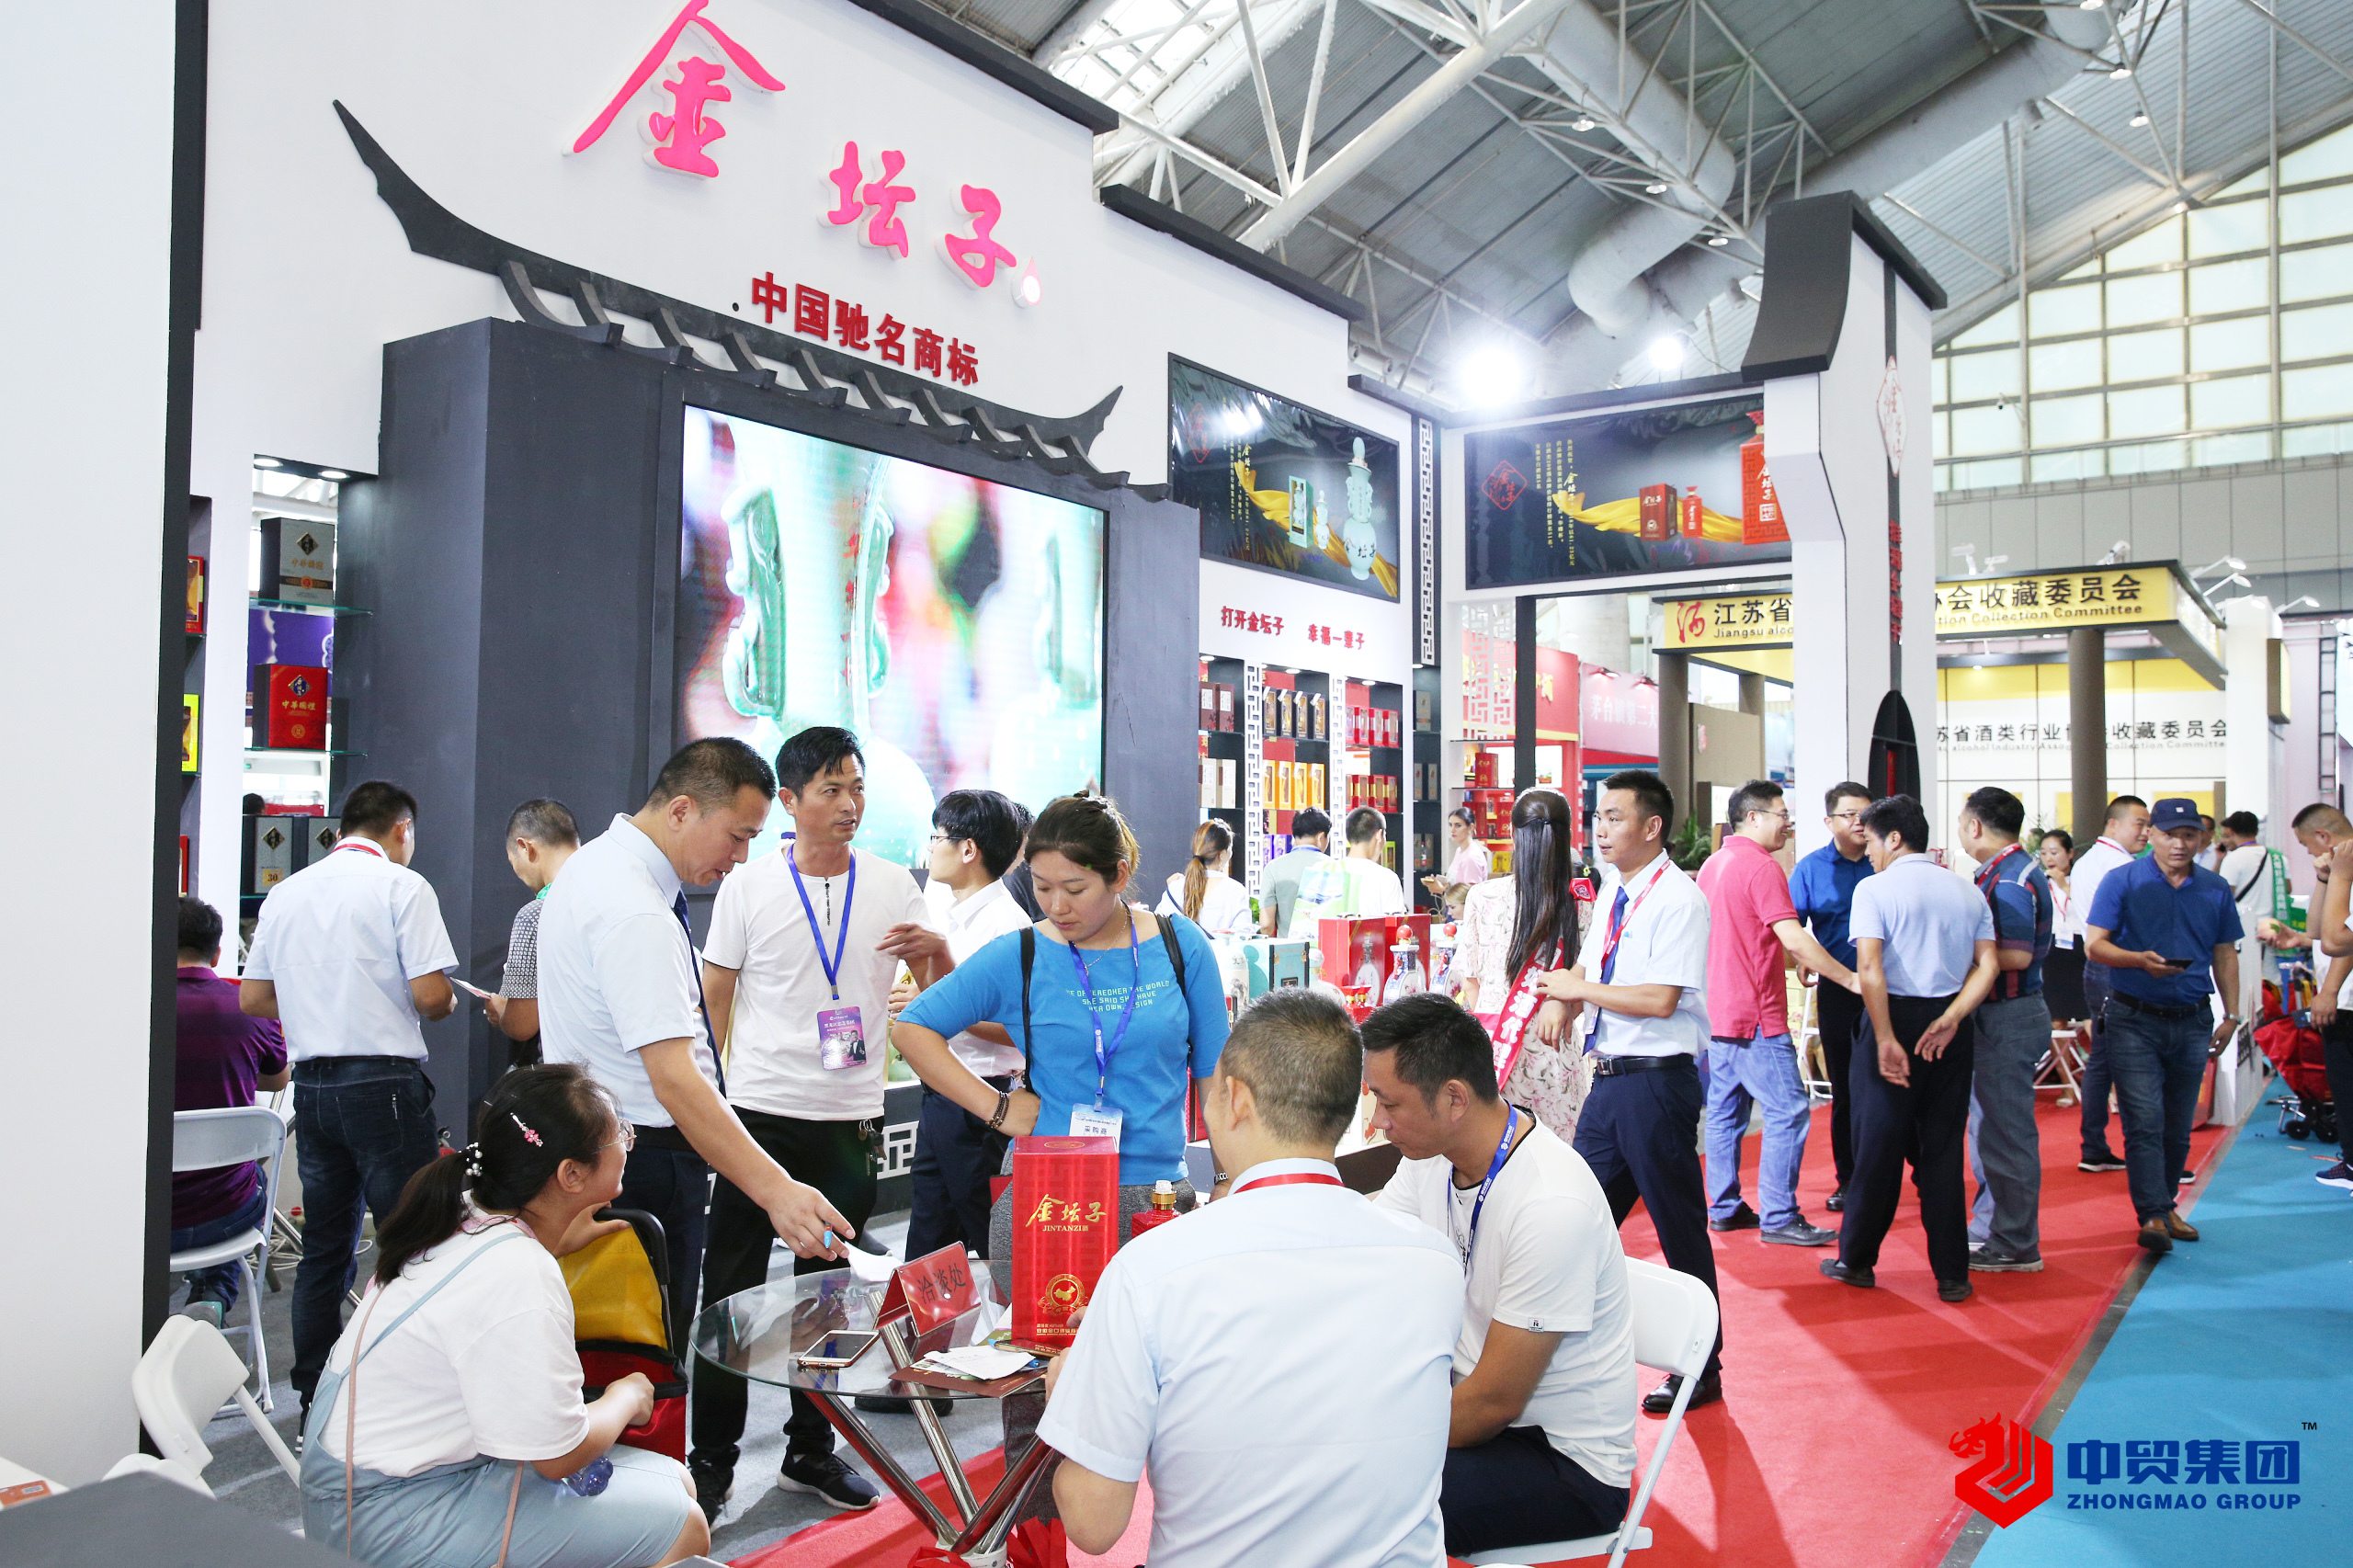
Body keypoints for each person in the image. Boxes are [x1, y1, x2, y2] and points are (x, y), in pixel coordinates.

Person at [896, 792, 1230, 1527]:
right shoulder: (1023, 953)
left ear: (1119, 875)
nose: (1056, 906)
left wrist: (1228, 1181)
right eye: (1042, 888)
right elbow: (915, 1027)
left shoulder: (1181, 948)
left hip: (1157, 1205)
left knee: (1176, 1398)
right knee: (1039, 1404)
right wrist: (996, 1109)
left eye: (1074, 888)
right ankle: (1036, 1544)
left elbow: (1216, 1076)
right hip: (1048, 1200)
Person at [1034, 991, 1459, 1568]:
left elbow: (1093, 1523)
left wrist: (1073, 1391)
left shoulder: (1150, 1270)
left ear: (1234, 1099)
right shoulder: (1433, 1261)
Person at [537, 738, 852, 1401]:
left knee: (603, 1362)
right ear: (682, 810)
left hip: (604, 1150)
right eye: (737, 836)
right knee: (642, 1371)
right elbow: (675, 1079)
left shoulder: (594, 868)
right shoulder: (635, 908)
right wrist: (777, 1191)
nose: (739, 858)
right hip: (642, 1162)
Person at [298, 1064, 708, 1568]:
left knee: (676, 1482)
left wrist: (554, 1240)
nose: (628, 1140)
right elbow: (559, 1457)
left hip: (366, 1489)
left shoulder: (459, 1214)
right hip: (386, 1520)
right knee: (683, 1523)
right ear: (572, 1174)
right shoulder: (518, 1270)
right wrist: (626, 1397)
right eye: (619, 1133)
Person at [692, 726, 946, 1515]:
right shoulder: (747, 886)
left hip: (850, 1119)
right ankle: (711, 1462)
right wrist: (708, 1107)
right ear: (790, 801)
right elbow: (714, 1002)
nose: (849, 804)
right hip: (758, 1117)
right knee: (729, 1294)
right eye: (831, 789)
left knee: (830, 1298)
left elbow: (939, 998)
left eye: (857, 787)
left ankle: (809, 1452)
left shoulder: (894, 886)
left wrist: (936, 954)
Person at [1364, 994, 1637, 1560]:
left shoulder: (1551, 1205)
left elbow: (1494, 1404)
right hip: (1470, 1407)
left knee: (1358, 1501)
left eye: (1389, 1104)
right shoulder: (1430, 1158)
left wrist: (1368, 1436)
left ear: (1454, 1099)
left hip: (1563, 1462)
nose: (1377, 1123)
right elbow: (1368, 1252)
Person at [239, 779, 459, 1420]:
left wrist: (320, 1002)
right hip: (384, 1086)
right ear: (402, 829)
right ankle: (411, 1394)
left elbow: (254, 999)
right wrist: (444, 999)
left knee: (325, 1249)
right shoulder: (402, 886)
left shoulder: (286, 892)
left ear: (340, 830)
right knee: (413, 1245)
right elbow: (431, 998)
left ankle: (315, 1398)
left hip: (313, 1089)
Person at [1536, 769, 1721, 1413]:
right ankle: (1555, 1354)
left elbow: (1661, 999)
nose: (1602, 829)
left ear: (1652, 827)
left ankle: (1702, 1366)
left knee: (1679, 1229)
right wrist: (1565, 998)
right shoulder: (1617, 890)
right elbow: (1590, 963)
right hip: (1609, 1081)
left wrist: (1577, 990)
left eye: (1615, 817)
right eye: (1599, 817)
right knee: (1577, 1220)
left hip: (1657, 1084)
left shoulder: (1678, 900)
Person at [1821, 794, 1998, 1303]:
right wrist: (1953, 1017)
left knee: (1877, 1150)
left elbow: (1870, 968)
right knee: (1942, 1153)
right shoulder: (1966, 890)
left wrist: (1884, 1038)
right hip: (1949, 1028)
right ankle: (1952, 1274)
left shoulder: (1874, 889)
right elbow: (1987, 965)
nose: (1869, 852)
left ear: (1894, 838)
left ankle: (1857, 1260)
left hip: (1892, 1018)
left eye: (1872, 841)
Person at [1695, 781, 1855, 1249]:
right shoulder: (1762, 866)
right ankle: (1780, 1214)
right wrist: (1848, 979)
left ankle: (1724, 1207)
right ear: (1753, 817)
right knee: (1788, 1109)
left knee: (1725, 1114)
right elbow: (1793, 937)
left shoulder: (1713, 864)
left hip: (1719, 1009)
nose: (1788, 823)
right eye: (1782, 814)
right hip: (1755, 1014)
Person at [2083, 797, 2244, 1255]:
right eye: (2169, 834)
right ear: (2151, 834)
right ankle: (2152, 1212)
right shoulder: (2122, 880)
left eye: (2189, 835)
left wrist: (2232, 1015)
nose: (2179, 844)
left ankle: (2166, 1204)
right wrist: (2138, 961)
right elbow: (2095, 946)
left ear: (2202, 838)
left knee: (2178, 1122)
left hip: (2193, 1018)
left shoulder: (2215, 888)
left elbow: (2224, 954)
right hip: (2133, 1017)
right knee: (2144, 1119)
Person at [905, 790, 1031, 1264]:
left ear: (968, 850)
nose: (930, 848)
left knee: (990, 1232)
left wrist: (933, 1007)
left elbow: (1019, 1027)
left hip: (983, 1101)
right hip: (944, 1092)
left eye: (937, 837)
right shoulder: (946, 908)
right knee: (929, 1235)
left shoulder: (1006, 926)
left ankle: (1019, 1308)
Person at [174, 895, 289, 1325]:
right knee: (243, 1176)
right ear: (218, 953)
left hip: (142, 1216)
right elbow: (277, 1079)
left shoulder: (132, 1008)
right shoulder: (247, 1007)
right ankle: (214, 1292)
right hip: (223, 1217)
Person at [1956, 789, 2052, 1275]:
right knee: (1990, 1130)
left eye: (1961, 822)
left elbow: (2015, 955)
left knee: (2005, 1135)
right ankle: (1994, 1227)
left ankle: (2015, 1242)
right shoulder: (2004, 871)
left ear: (1975, 826)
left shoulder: (2011, 878)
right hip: (2005, 1015)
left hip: (2007, 1016)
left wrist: (1958, 958)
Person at [1459, 789, 1587, 1144]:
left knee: (1495, 1162)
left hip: (1495, 1059)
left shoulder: (1481, 897)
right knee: (1557, 1164)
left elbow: (1471, 983)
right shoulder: (1581, 902)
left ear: (1514, 835)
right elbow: (1584, 994)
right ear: (1567, 836)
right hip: (1556, 1061)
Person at [1789, 782, 1875, 1212]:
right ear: (1829, 821)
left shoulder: (1886, 862)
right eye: (1849, 814)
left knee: (1891, 1084)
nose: (1860, 822)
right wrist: (1804, 958)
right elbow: (1790, 927)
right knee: (1845, 1088)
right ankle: (1850, 1179)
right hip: (1839, 991)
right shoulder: (1811, 869)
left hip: (1891, 990)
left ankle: (1897, 1171)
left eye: (1866, 814)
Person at [2067, 795, 2150, 1175]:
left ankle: (2095, 1146)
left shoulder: (2086, 861)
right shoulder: (2122, 867)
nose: (2146, 832)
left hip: (2097, 965)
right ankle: (2141, 1152)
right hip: (2120, 966)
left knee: (2102, 1060)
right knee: (2132, 1061)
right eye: (2139, 824)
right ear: (2113, 824)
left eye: (2148, 825)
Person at [489, 798, 580, 1071]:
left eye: (513, 862)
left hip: (568, 1075)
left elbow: (522, 1024)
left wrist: (502, 1010)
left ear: (525, 847)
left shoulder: (535, 916)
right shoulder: (621, 896)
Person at [1296, 807, 1410, 927]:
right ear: (1379, 835)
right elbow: (1397, 929)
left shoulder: (1321, 869)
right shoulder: (1387, 878)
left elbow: (1303, 920)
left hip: (1324, 939)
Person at [2215, 811, 2271, 1025]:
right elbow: (2287, 888)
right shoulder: (2276, 857)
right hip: (2272, 930)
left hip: (2242, 932)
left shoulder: (2234, 859)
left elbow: (2224, 896)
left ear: (2231, 831)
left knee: (2247, 985)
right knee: (2269, 987)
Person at [1157, 819, 1255, 936]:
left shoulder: (1175, 887)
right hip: (1219, 948)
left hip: (1181, 949)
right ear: (1222, 854)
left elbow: (1158, 928)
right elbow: (1243, 934)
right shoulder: (1236, 890)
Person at [2039, 829, 2088, 1025]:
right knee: (2056, 1013)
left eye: (2054, 852)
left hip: (2079, 945)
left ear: (2070, 854)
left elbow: (2089, 910)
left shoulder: (2083, 879)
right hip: (2052, 948)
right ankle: (2060, 1046)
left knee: (2087, 1013)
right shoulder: (2041, 881)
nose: (2048, 858)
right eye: (2043, 853)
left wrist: (2064, 886)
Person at [1260, 807, 1333, 937]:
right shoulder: (1334, 867)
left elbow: (1266, 925)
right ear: (1321, 837)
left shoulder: (1273, 867)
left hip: (1286, 947)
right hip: (1324, 946)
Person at [1421, 806, 1491, 905]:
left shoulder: (1472, 857)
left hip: (1464, 911)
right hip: (1454, 908)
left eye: (1458, 826)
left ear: (1471, 827)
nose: (1452, 830)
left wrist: (1441, 890)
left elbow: (1471, 895)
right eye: (1450, 825)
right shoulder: (1459, 851)